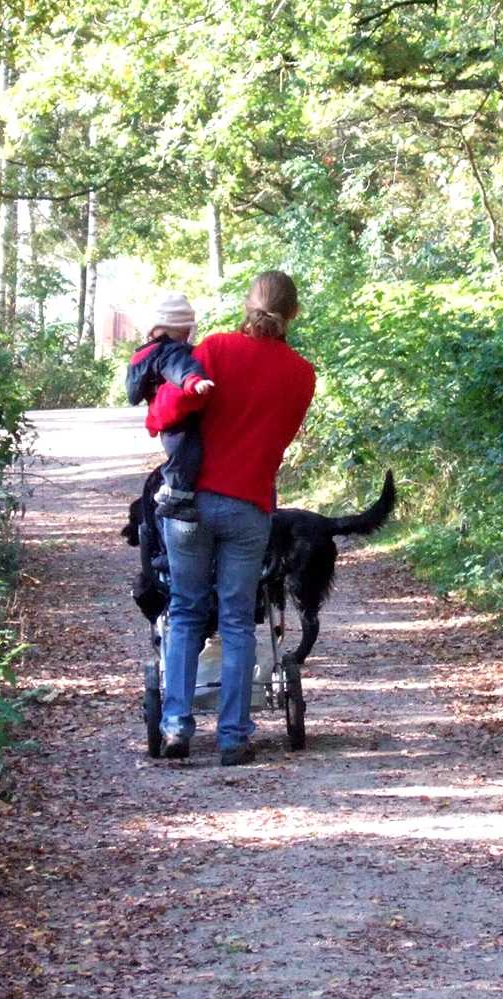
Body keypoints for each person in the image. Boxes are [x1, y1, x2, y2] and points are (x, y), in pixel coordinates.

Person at [157, 271, 316, 765]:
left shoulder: (216, 349)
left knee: (185, 610)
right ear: (292, 314)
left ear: (247, 304)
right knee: (237, 620)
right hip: (250, 505)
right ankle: (233, 736)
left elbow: (171, 410)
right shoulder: (301, 374)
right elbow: (281, 440)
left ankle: (177, 727)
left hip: (192, 503)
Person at [125, 292, 212, 522]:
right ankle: (174, 500)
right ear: (183, 330)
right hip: (178, 421)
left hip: (165, 420)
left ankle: (175, 496)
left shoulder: (143, 355)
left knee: (179, 456)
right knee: (187, 456)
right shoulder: (171, 351)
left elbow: (134, 394)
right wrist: (195, 382)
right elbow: (178, 369)